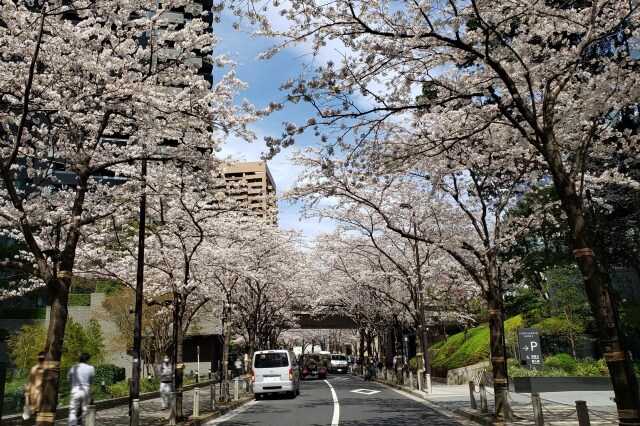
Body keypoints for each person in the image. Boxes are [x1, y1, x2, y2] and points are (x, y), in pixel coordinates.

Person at [67, 352, 95, 426]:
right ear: (88, 359)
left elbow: (69, 378)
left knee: (73, 410)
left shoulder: (74, 367)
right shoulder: (91, 368)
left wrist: (72, 384)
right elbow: (91, 380)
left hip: (75, 389)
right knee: (86, 410)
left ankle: (73, 424)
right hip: (86, 389)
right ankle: (87, 423)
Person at [23, 351, 46, 420]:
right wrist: (27, 399)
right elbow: (30, 383)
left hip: (38, 399)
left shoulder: (34, 369)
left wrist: (27, 398)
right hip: (39, 399)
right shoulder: (46, 370)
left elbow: (30, 384)